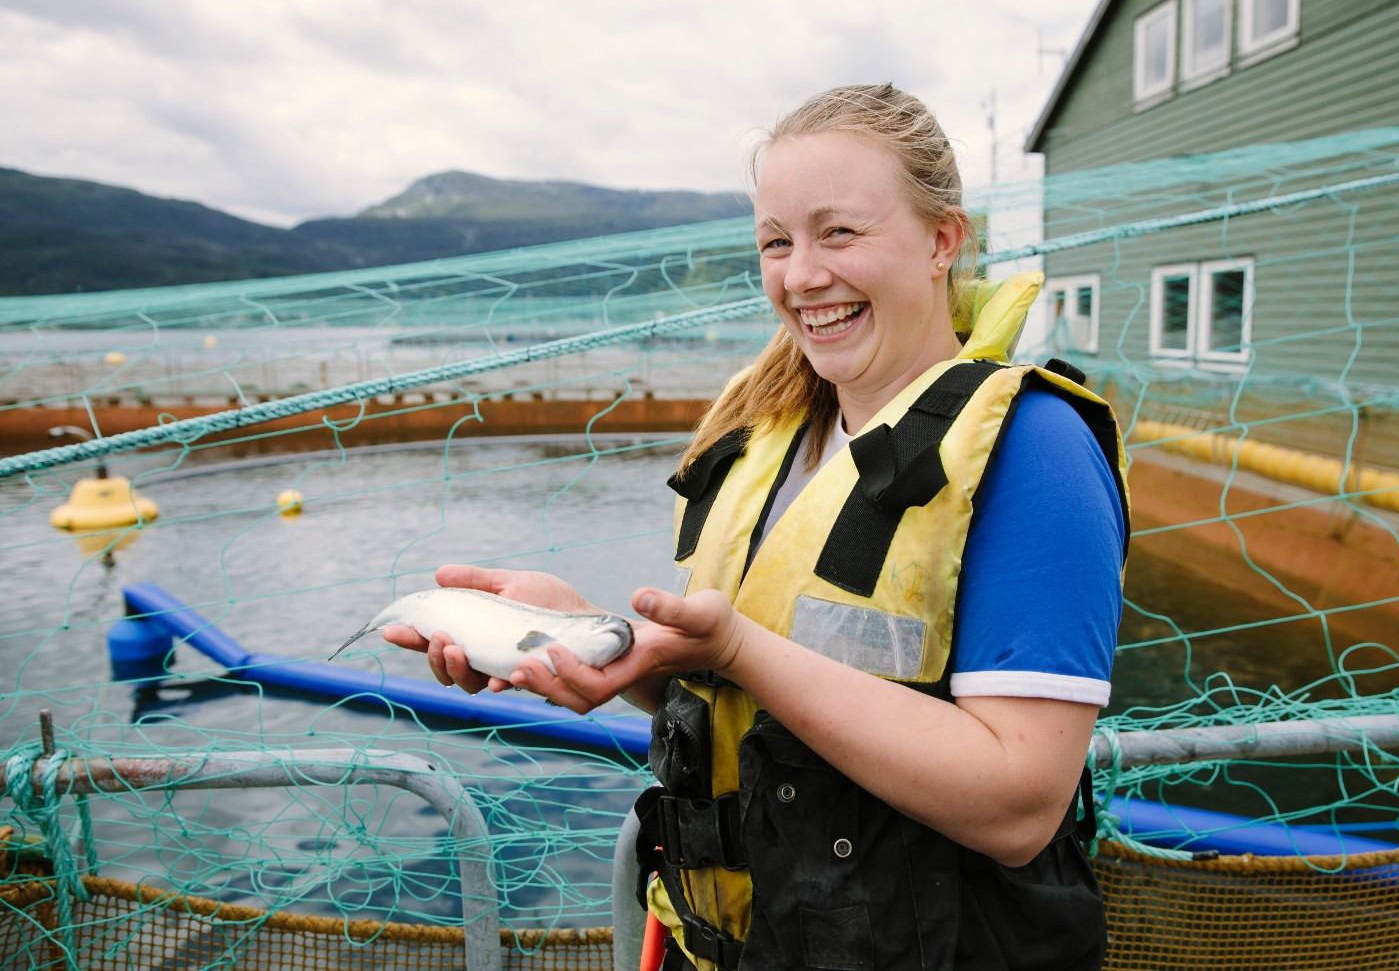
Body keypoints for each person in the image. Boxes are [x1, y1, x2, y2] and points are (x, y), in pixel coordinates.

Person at [387, 84, 1128, 971]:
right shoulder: (765, 441)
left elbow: (1018, 807)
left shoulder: (1036, 450)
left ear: (943, 240)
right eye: (776, 241)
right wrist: (601, 642)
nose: (802, 274)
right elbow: (755, 717)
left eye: (839, 232)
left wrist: (735, 649)